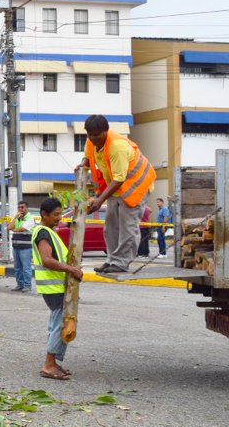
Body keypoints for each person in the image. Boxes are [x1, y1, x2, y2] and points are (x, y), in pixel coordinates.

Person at [78, 114, 157, 274]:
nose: (93, 138)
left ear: (105, 132)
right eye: (90, 135)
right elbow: (88, 156)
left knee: (128, 227)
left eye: (97, 135)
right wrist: (83, 165)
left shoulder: (117, 146)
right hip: (115, 186)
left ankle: (121, 263)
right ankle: (111, 260)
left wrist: (99, 200)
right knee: (110, 226)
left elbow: (119, 179)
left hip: (135, 186)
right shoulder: (90, 141)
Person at [31, 197, 85, 380]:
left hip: (56, 287)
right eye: (55, 214)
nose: (59, 217)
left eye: (60, 213)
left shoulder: (49, 232)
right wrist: (71, 270)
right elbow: (47, 260)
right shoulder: (43, 233)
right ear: (43, 215)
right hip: (53, 288)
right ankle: (48, 364)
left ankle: (53, 362)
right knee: (59, 325)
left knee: (60, 323)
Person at [8, 200, 36, 292]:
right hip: (16, 246)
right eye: (19, 207)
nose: (20, 209)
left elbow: (22, 229)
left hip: (26, 247)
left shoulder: (30, 218)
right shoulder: (17, 218)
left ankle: (27, 285)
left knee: (26, 267)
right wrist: (15, 217)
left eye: (22, 207)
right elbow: (9, 227)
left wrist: (15, 229)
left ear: (27, 208)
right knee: (17, 267)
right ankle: (20, 284)